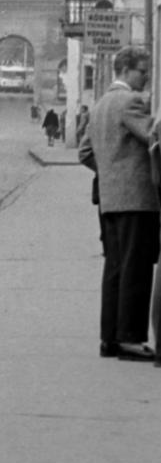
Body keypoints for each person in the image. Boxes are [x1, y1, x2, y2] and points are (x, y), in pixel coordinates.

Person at [77, 45, 160, 361]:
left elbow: (85, 152)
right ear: (126, 70)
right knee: (136, 268)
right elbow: (153, 135)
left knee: (114, 267)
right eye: (142, 70)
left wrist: (111, 173)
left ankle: (109, 338)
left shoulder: (100, 105)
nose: (145, 77)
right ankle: (130, 339)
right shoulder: (129, 101)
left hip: (110, 200)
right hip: (137, 200)